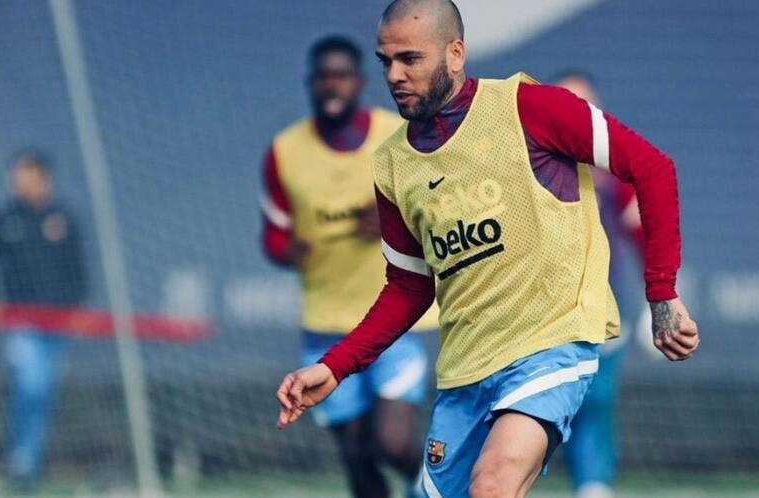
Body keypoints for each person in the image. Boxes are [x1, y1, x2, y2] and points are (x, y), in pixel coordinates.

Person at [276, 2, 700, 497]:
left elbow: (652, 167)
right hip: (466, 369)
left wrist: (662, 295)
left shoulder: (530, 107)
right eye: (386, 61)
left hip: (552, 342)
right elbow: (409, 289)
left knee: (493, 484)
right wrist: (335, 366)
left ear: (455, 54)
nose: (394, 75)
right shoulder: (393, 164)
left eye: (410, 59)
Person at [260, 36, 438, 498]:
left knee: (390, 442)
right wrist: (287, 250)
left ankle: (440, 488)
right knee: (356, 455)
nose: (331, 85)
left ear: (359, 82)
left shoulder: (397, 135)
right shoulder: (285, 151)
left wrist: (390, 221)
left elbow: (439, 209)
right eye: (323, 77)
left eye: (341, 75)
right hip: (326, 322)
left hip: (397, 319)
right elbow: (273, 235)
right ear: (310, 84)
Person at [555, 71, 644, 498]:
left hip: (603, 306)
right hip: (537, 308)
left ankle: (593, 484)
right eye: (564, 102)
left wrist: (662, 297)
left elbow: (643, 230)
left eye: (584, 103)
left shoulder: (613, 165)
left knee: (595, 399)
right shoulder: (520, 162)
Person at [0, 150, 88, 492]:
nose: (18, 182)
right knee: (30, 384)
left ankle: (29, 462)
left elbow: (78, 270)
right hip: (21, 321)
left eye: (25, 175)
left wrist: (75, 309)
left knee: (43, 393)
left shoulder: (63, 218)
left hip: (57, 323)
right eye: (16, 175)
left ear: (43, 177)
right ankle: (22, 462)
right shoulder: (5, 219)